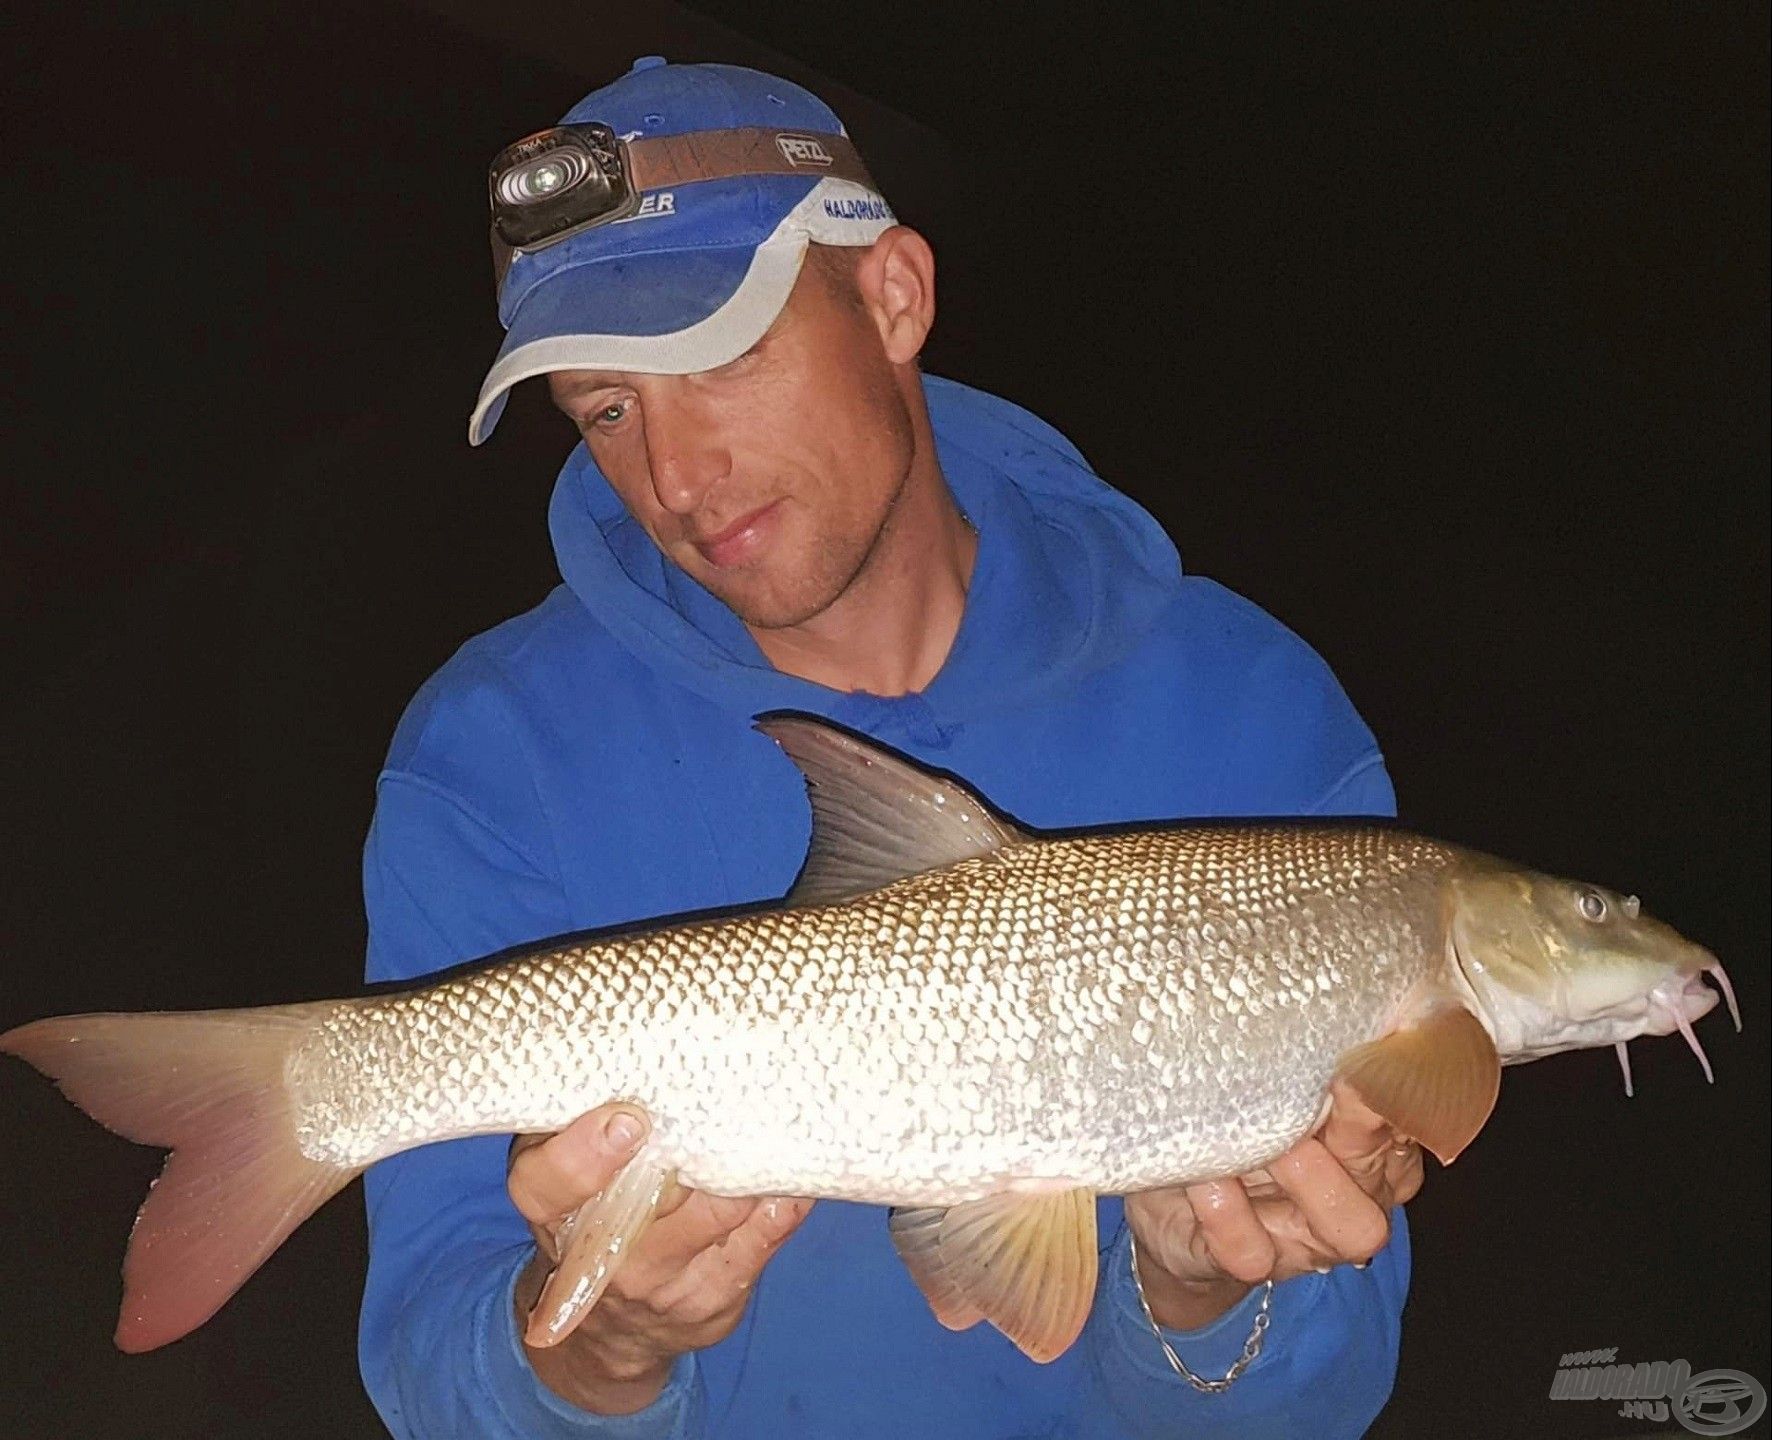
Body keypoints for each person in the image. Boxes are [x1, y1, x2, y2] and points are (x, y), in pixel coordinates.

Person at [357, 56, 1420, 1439]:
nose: (674, 477)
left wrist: (1207, 1300)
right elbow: (433, 1365)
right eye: (608, 411)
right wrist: (596, 1355)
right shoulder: (490, 760)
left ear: (892, 297)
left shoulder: (1252, 714)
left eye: (721, 355)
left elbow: (1326, 1402)